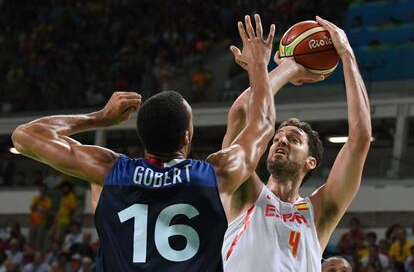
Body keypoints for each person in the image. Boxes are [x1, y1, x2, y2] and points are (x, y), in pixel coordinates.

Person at [12, 14, 277, 271]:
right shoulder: (215, 175)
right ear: (187, 136)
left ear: (142, 135)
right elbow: (262, 124)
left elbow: (25, 136)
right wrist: (259, 67)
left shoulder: (108, 171)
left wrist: (99, 118)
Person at [221, 16, 371, 271]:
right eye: (277, 138)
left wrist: (346, 54)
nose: (281, 142)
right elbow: (241, 113)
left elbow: (360, 139)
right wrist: (289, 68)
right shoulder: (245, 193)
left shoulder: (319, 213)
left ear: (310, 162)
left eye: (293, 140)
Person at [29, 183, 52, 251]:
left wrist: (41, 207)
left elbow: (46, 211)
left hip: (42, 223)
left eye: (43, 189)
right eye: (40, 188)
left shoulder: (48, 199)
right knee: (31, 239)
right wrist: (37, 201)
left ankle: (37, 253)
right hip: (33, 222)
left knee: (39, 241)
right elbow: (32, 208)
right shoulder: (35, 198)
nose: (42, 190)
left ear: (46, 190)